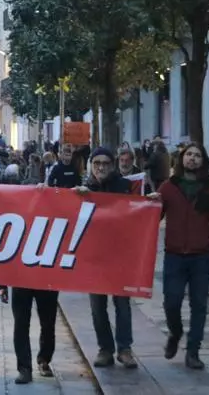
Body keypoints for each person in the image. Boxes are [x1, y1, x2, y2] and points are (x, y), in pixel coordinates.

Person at [150, 143, 209, 370]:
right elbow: (154, 217)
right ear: (181, 159)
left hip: (201, 256)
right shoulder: (168, 187)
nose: (193, 159)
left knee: (199, 305)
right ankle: (175, 333)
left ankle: (193, 351)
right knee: (171, 302)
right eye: (189, 155)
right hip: (174, 255)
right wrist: (151, 203)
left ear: (203, 161)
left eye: (197, 156)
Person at [73, 147, 138, 369]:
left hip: (120, 255)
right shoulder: (83, 189)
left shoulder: (125, 187)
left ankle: (125, 348)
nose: (101, 167)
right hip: (94, 256)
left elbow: (138, 215)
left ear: (112, 165)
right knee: (97, 306)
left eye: (106, 163)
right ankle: (105, 349)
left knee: (123, 304)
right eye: (97, 163)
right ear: (91, 165)